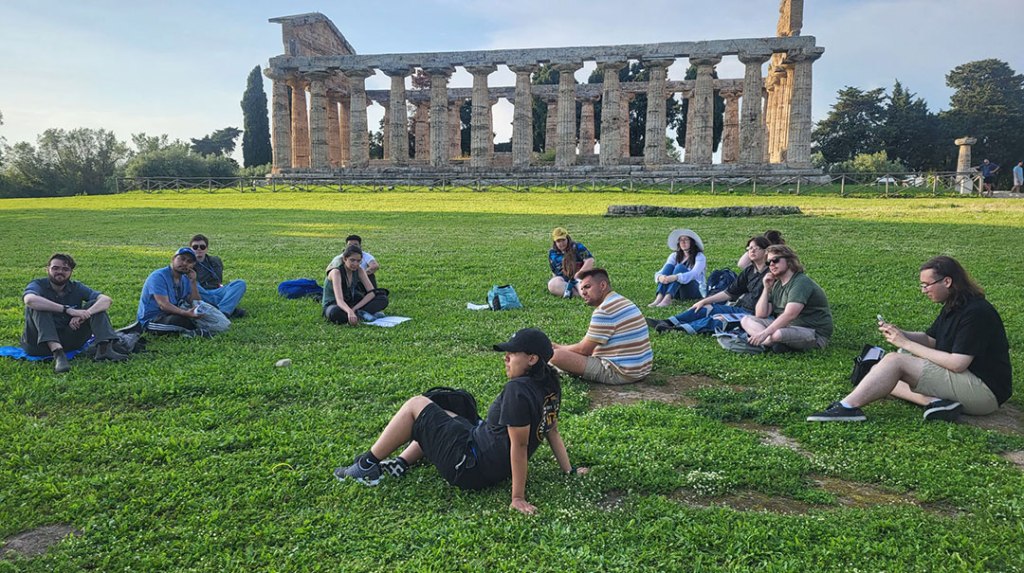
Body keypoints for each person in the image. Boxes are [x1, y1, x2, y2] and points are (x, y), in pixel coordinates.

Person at [335, 328, 589, 515]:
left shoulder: (518, 391)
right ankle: (402, 462)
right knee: (450, 408)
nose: (506, 358)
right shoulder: (550, 384)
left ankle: (367, 465)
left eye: (512, 353)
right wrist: (569, 471)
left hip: (469, 467)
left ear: (532, 359)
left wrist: (517, 497)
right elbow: (551, 429)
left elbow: (519, 446)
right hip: (481, 451)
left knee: (416, 405)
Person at [808, 256, 1012, 423]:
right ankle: (936, 401)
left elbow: (958, 363)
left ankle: (847, 408)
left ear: (947, 281)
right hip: (966, 381)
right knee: (885, 371)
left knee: (895, 361)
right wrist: (902, 334)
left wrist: (906, 343)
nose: (924, 291)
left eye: (926, 285)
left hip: (985, 392)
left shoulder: (975, 312)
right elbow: (931, 340)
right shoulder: (954, 305)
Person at [22, 253, 128, 373]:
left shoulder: (76, 287)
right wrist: (68, 310)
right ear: (47, 269)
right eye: (55, 268)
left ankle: (104, 350)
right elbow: (30, 300)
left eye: (65, 269)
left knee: (95, 304)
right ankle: (58, 355)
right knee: (39, 306)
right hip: (39, 344)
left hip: (69, 339)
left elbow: (106, 300)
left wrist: (85, 313)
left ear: (71, 272)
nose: (60, 272)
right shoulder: (38, 284)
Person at [648, 236, 770, 334]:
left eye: (756, 248)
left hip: (752, 314)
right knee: (706, 307)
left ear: (766, 251)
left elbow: (693, 274)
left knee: (717, 319)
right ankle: (669, 321)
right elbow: (728, 292)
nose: (752, 251)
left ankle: (678, 330)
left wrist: (674, 277)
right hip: (740, 308)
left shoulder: (771, 273)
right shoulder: (749, 271)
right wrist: (704, 301)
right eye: (749, 248)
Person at [551, 268, 653, 385]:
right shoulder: (622, 301)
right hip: (642, 369)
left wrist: (556, 347)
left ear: (603, 285)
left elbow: (584, 350)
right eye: (582, 288)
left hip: (622, 372)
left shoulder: (604, 310)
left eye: (588, 287)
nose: (583, 292)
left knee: (556, 356)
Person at [740, 245, 833, 352]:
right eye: (768, 262)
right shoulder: (777, 284)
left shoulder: (800, 282)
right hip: (788, 327)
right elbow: (761, 314)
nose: (771, 264)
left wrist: (764, 333)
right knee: (746, 320)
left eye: (775, 260)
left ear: (789, 261)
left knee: (777, 334)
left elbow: (790, 314)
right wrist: (766, 289)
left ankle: (767, 342)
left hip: (813, 332)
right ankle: (771, 343)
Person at [137, 247, 208, 335]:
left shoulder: (185, 279)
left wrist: (193, 282)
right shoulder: (158, 276)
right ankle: (192, 333)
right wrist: (185, 313)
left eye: (189, 261)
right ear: (173, 259)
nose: (185, 263)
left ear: (193, 265)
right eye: (182, 259)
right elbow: (163, 305)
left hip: (172, 314)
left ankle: (190, 330)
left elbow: (195, 301)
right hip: (152, 319)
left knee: (196, 318)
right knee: (180, 321)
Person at [323, 245, 388, 325]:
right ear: (345, 259)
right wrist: (349, 311)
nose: (355, 264)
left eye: (358, 261)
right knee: (335, 313)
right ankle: (362, 315)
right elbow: (339, 300)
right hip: (335, 304)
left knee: (382, 298)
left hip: (352, 302)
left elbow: (371, 292)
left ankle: (359, 314)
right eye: (352, 260)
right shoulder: (336, 272)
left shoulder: (359, 270)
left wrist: (354, 309)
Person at [190, 234, 247, 318]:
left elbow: (219, 280)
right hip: (200, 292)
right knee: (192, 285)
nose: (199, 249)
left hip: (216, 291)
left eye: (202, 247)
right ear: (190, 249)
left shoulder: (215, 261)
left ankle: (222, 312)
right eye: (195, 247)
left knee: (240, 283)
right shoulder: (187, 263)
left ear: (206, 249)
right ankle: (228, 308)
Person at [650, 229, 706, 307]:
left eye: (686, 239)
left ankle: (667, 299)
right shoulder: (674, 255)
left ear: (692, 242)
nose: (683, 242)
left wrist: (676, 277)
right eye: (680, 240)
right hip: (677, 292)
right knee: (669, 267)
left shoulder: (699, 256)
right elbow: (662, 271)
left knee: (680, 268)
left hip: (693, 291)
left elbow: (694, 274)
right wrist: (660, 277)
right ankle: (659, 298)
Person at [547, 227, 594, 298]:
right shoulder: (552, 253)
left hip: (578, 277)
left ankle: (579, 291)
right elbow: (554, 271)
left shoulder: (577, 247)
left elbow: (590, 260)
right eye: (558, 241)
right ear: (555, 242)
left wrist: (579, 274)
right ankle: (574, 293)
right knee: (552, 284)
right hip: (564, 280)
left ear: (567, 239)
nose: (561, 243)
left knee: (585, 288)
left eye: (563, 240)